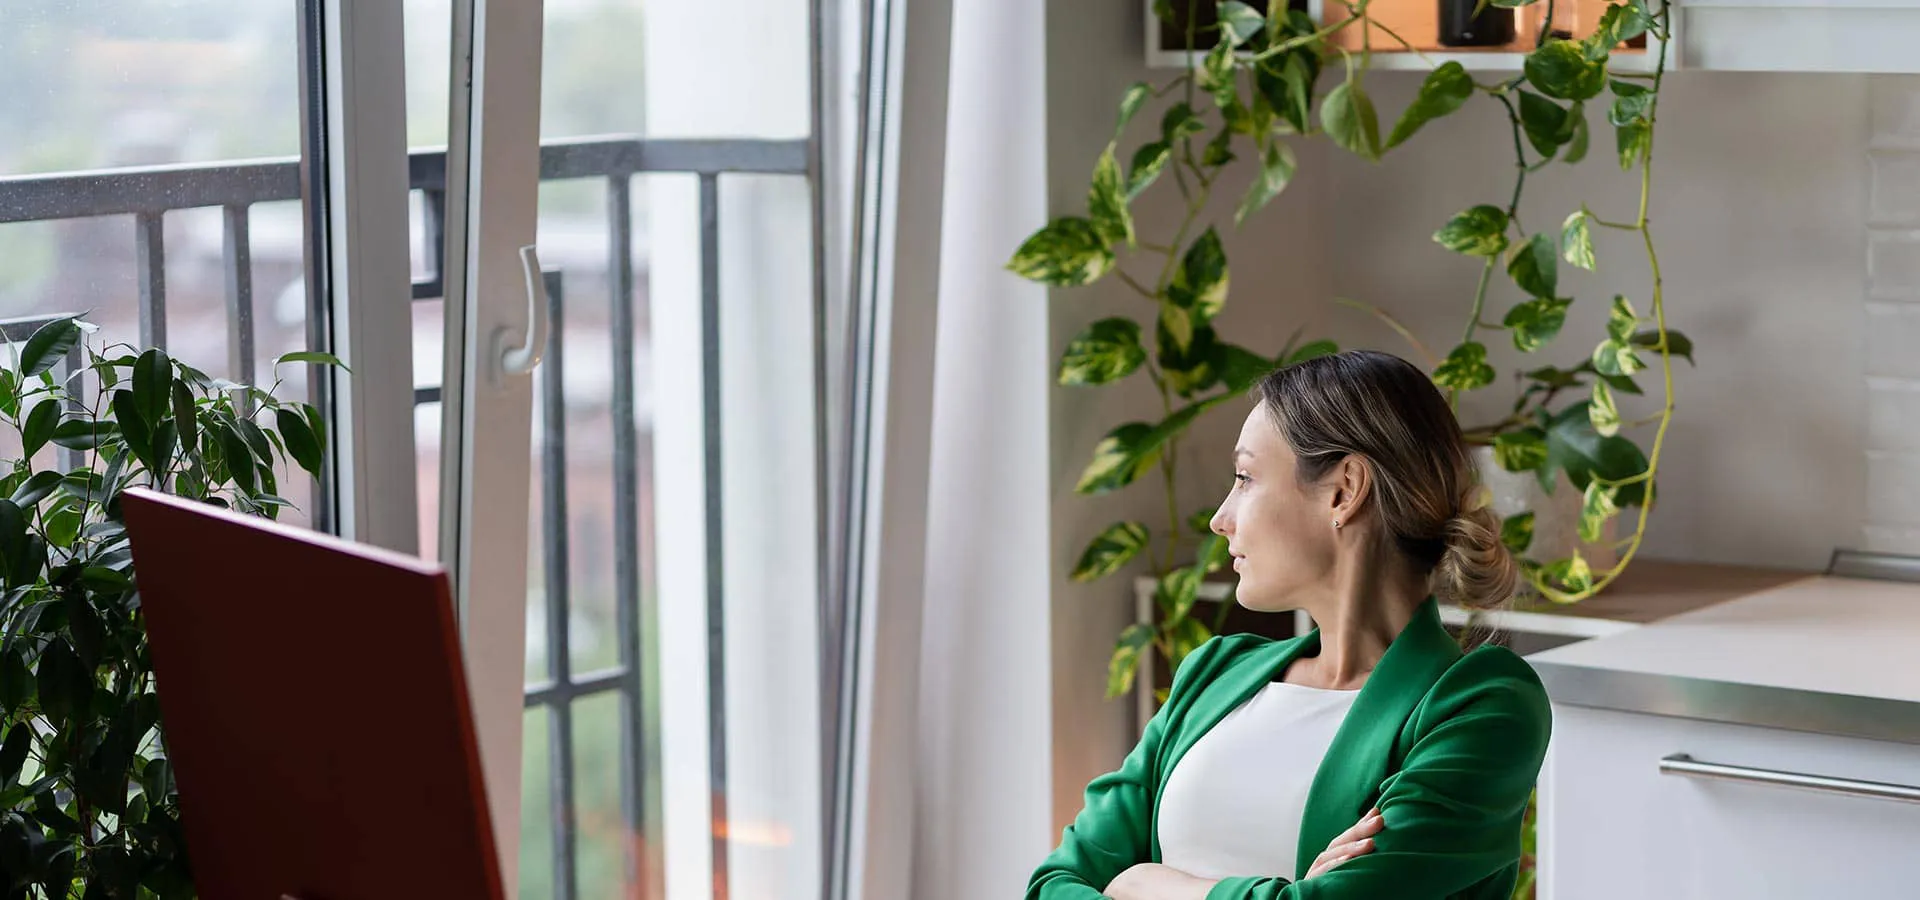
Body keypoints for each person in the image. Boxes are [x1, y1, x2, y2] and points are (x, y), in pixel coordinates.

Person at [1027, 350, 1551, 900]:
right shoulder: (1213, 673)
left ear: (1344, 490)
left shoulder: (1482, 705)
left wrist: (1141, 884)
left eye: (1245, 477)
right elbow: (1051, 887)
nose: (1220, 518)